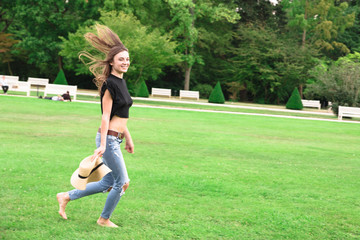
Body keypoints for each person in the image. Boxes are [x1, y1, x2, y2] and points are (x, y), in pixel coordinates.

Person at [56, 24, 134, 228]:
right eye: (121, 59)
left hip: (116, 137)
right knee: (122, 182)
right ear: (112, 62)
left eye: (127, 59)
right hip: (108, 138)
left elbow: (122, 115)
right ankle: (103, 219)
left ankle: (66, 196)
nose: (125, 62)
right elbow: (106, 115)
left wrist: (129, 138)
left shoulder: (122, 82)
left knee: (109, 182)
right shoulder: (110, 83)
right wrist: (104, 145)